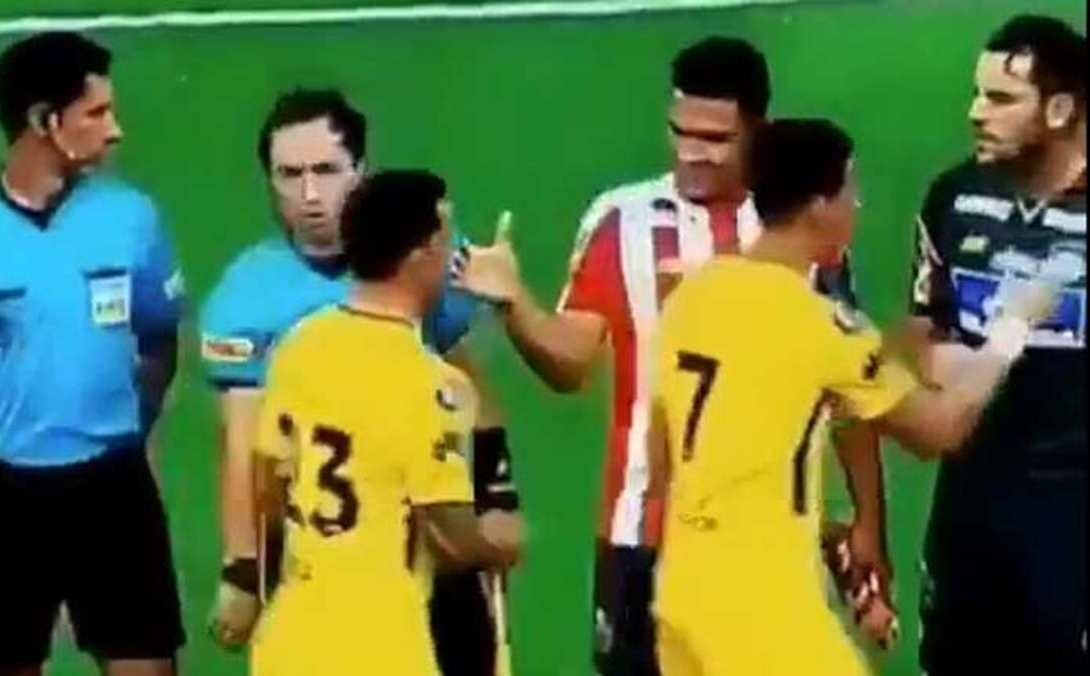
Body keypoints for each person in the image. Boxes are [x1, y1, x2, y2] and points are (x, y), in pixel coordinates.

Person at [455, 36, 891, 673]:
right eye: (680, 131)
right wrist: (514, 302)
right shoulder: (619, 219)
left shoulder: (796, 233)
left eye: (715, 139)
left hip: (762, 551)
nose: (692, 153)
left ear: (757, 133)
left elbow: (849, 389)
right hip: (637, 531)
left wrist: (867, 523)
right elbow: (571, 364)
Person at [649, 118, 1057, 676]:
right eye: (850, 190)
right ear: (819, 205)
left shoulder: (691, 297)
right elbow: (941, 429)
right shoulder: (821, 324)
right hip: (762, 609)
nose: (856, 206)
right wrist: (1012, 328)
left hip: (682, 596)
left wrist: (814, 527)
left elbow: (667, 457)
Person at [0, 32, 184, 676]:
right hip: (0, 497)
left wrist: (132, 428)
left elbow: (160, 336)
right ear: (44, 121)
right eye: (96, 113)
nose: (115, 130)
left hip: (113, 487)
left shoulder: (133, 218)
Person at [202, 89, 519, 676]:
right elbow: (245, 447)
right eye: (290, 175)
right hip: (372, 574)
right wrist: (243, 569)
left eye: (325, 171)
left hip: (412, 566)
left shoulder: (412, 272)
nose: (310, 195)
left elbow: (474, 392)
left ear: (360, 170)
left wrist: (498, 490)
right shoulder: (246, 298)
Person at [909, 15, 1087, 675]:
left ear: (1061, 109)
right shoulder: (954, 197)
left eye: (1002, 99)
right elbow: (926, 327)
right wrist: (941, 362)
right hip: (973, 496)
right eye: (978, 94)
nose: (976, 113)